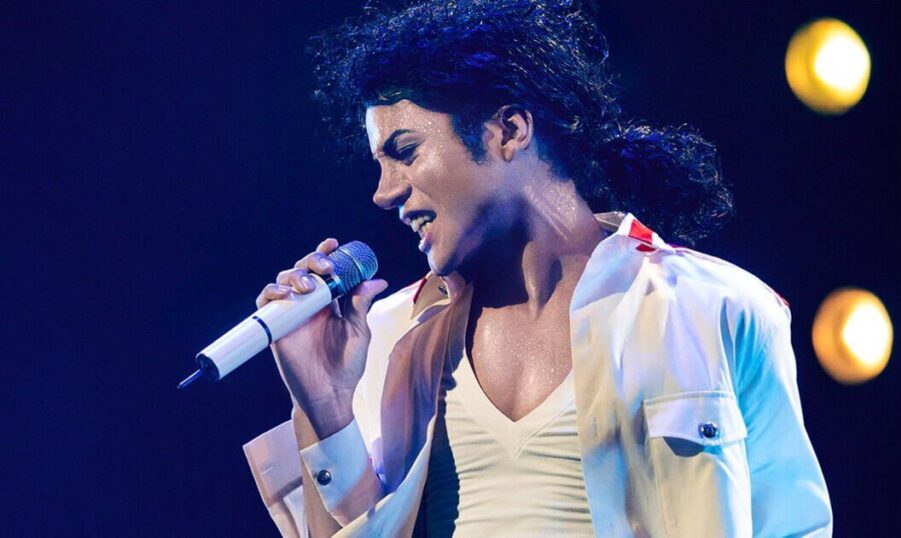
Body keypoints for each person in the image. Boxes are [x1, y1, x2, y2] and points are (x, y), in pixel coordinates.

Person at [242, 1, 832, 536]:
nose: (384, 192)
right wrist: (324, 405)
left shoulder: (717, 308)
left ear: (509, 131)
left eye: (405, 152)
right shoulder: (390, 338)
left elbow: (794, 528)